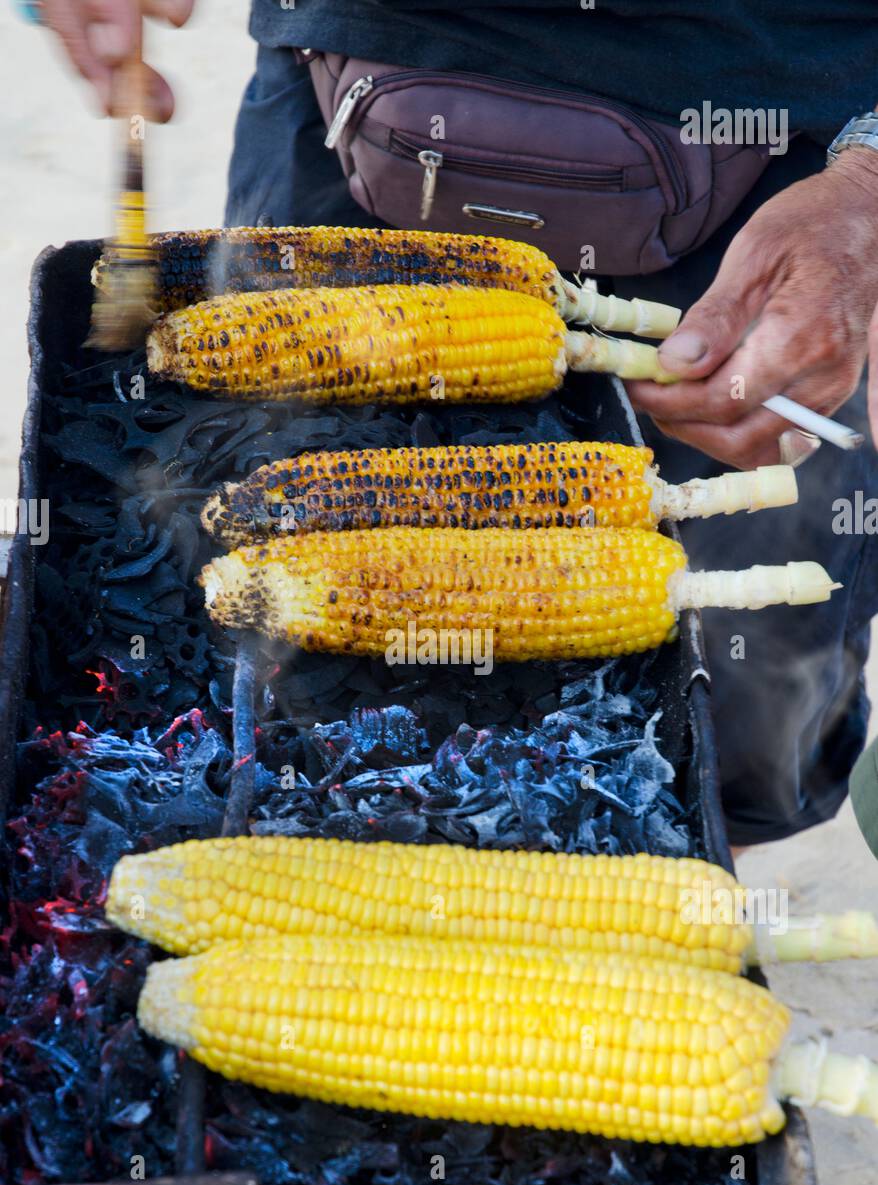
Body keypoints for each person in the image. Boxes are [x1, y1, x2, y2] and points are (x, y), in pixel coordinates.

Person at [34, 0, 878, 849]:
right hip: (354, 83)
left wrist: (869, 184)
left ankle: (676, 893)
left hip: (787, 166)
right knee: (296, 674)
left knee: (734, 737)